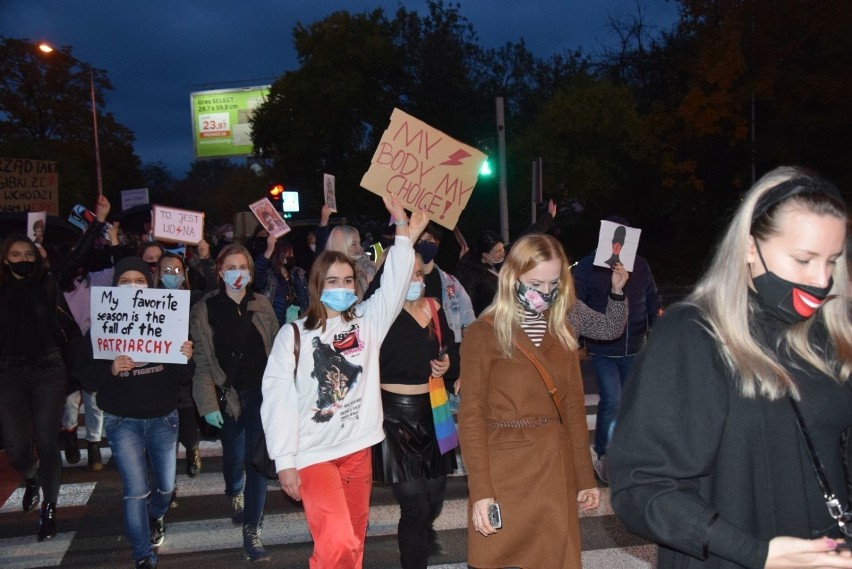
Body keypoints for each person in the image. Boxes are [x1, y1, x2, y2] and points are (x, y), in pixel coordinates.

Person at [608, 167, 852, 568]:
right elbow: (642, 488)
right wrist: (756, 554)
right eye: (804, 260)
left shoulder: (830, 333)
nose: (821, 280)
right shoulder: (692, 335)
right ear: (750, 247)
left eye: (833, 261)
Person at [260, 196, 427, 568]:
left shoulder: (367, 320)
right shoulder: (295, 334)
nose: (342, 287)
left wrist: (402, 230)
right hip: (314, 456)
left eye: (348, 280)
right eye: (332, 281)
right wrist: (285, 460)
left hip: (357, 452)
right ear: (318, 285)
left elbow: (395, 285)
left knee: (353, 542)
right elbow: (276, 398)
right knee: (336, 544)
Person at [458, 232, 629, 569]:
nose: (546, 293)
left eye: (554, 284)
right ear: (512, 277)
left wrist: (584, 478)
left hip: (554, 471)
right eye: (537, 283)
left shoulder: (563, 332)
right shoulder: (483, 333)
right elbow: (471, 418)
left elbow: (573, 412)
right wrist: (480, 492)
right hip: (504, 473)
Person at [0, 195, 110, 542]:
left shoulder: (48, 282)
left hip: (49, 369)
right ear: (5, 258)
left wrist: (99, 221)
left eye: (28, 255)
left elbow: (78, 254)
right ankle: (31, 474)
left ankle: (49, 508)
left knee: (48, 440)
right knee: (17, 445)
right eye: (16, 255)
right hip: (9, 373)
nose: (23, 260)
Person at [75, 257, 194, 569]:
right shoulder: (102, 322)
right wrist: (111, 368)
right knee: (135, 490)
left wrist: (185, 355)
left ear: (149, 284)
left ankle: (155, 515)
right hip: (122, 419)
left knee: (165, 488)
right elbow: (85, 373)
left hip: (163, 417)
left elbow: (184, 376)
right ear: (115, 286)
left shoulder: (168, 316)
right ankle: (142, 554)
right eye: (125, 281)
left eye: (139, 280)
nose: (132, 286)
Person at [190, 244, 279, 562]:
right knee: (234, 455)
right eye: (231, 266)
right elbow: (202, 361)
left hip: (261, 395)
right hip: (228, 397)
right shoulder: (205, 309)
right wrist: (208, 403)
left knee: (258, 463)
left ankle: (251, 531)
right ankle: (233, 490)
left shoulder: (262, 305)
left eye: (244, 267)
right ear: (220, 272)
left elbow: (277, 350)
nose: (238, 272)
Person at [373, 252, 459, 568]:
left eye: (419, 275)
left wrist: (448, 363)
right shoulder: (381, 311)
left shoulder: (434, 308)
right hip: (393, 417)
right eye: (407, 275)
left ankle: (422, 533)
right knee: (415, 507)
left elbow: (449, 348)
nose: (415, 281)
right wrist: (404, 230)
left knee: (434, 499)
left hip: (434, 412)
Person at [572, 215, 662, 482]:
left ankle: (631, 454)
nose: (619, 246)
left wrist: (658, 326)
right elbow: (576, 304)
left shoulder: (641, 265)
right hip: (603, 350)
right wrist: (576, 337)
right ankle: (603, 454)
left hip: (635, 347)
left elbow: (653, 297)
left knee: (634, 403)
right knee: (612, 401)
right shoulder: (588, 266)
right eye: (614, 240)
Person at [156, 247, 217, 482]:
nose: (173, 274)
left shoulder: (192, 298)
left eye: (177, 270)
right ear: (159, 274)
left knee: (188, 427)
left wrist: (205, 258)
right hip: (159, 375)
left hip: (186, 371)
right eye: (167, 270)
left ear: (184, 273)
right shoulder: (149, 300)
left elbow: (214, 290)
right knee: (163, 435)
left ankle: (192, 449)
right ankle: (165, 480)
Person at [254, 234, 309, 326]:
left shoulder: (298, 274)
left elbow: (307, 298)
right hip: (276, 324)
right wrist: (269, 249)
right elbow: (256, 274)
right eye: (287, 254)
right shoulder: (270, 277)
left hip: (299, 323)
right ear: (279, 256)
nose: (291, 256)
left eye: (291, 254)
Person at [455, 230, 504, 317]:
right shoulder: (472, 274)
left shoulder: (499, 265)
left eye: (502, 249)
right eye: (498, 251)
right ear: (485, 254)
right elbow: (468, 304)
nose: (502, 253)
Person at [325, 224, 376, 300]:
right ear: (341, 245)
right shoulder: (327, 271)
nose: (360, 248)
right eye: (354, 244)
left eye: (359, 243)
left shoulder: (365, 265)